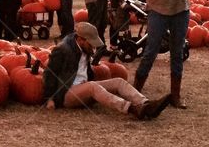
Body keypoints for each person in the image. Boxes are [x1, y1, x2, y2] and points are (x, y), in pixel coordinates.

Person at [42, 22, 172, 119]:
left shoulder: (84, 48)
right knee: (93, 86)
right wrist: (50, 99)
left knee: (119, 82)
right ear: (80, 40)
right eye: (91, 43)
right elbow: (49, 73)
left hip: (83, 87)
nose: (94, 47)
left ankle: (146, 105)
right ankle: (132, 109)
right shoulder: (63, 50)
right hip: (67, 94)